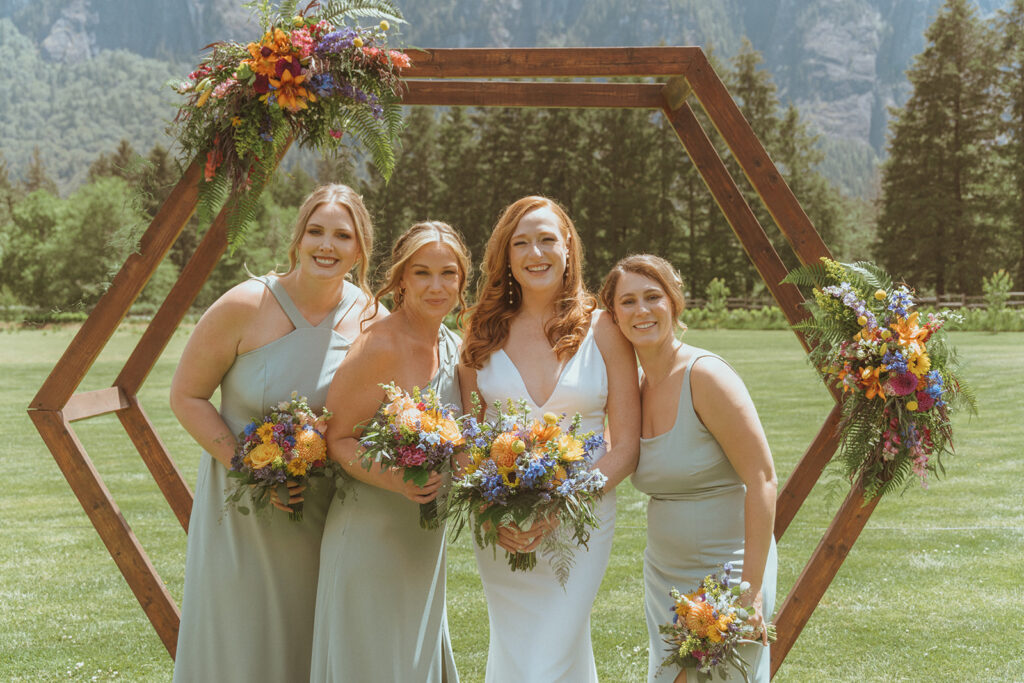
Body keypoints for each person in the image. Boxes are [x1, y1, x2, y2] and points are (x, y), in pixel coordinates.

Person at [169, 185, 381, 681]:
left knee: (313, 640)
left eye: (342, 235)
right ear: (298, 237)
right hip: (243, 512)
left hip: (325, 514)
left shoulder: (370, 319)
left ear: (360, 248)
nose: (326, 245)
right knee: (244, 640)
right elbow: (186, 396)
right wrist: (251, 465)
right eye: (316, 231)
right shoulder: (245, 304)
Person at [459, 196, 640, 682]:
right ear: (506, 258)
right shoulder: (481, 331)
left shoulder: (604, 329)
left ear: (568, 250)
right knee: (518, 653)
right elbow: (466, 442)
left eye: (546, 240)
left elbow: (624, 446)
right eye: (521, 243)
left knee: (552, 653)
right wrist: (487, 510)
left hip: (581, 520)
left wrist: (561, 503)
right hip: (502, 523)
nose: (535, 252)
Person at [599, 254, 778, 683]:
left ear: (674, 302)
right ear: (614, 317)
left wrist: (750, 593)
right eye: (627, 302)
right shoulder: (633, 392)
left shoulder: (706, 375)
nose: (641, 310)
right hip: (664, 575)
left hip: (728, 569)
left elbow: (763, 479)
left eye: (652, 297)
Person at [309, 221, 470, 682]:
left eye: (448, 274)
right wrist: (397, 479)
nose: (436, 286)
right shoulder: (379, 345)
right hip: (370, 535)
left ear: (462, 280)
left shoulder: (450, 343)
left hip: (422, 539)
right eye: (422, 273)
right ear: (401, 278)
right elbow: (338, 439)